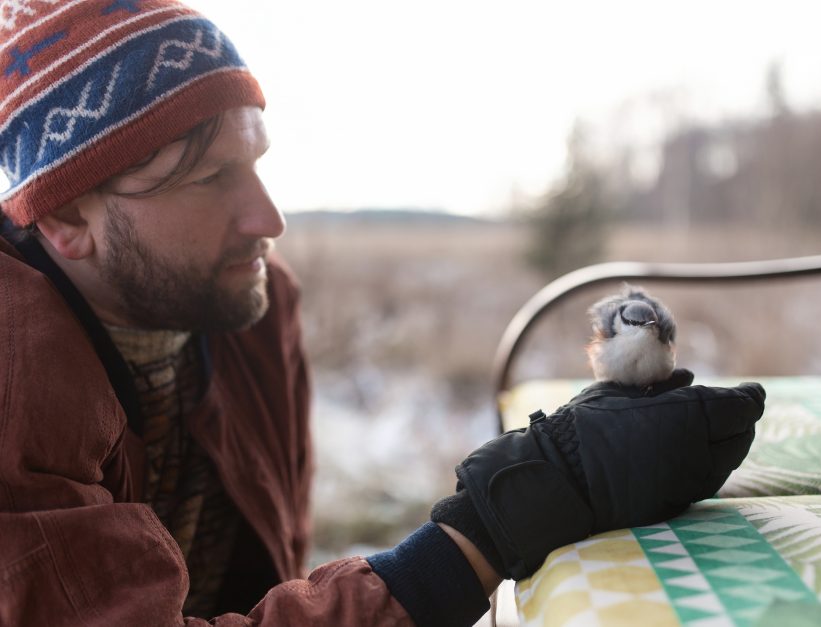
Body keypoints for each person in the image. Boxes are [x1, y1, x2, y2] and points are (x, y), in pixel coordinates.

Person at [0, 1, 764, 625]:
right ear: (67, 219)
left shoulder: (252, 312)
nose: (268, 219)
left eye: (256, 163)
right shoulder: (14, 375)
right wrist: (485, 530)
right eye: (209, 178)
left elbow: (264, 573)